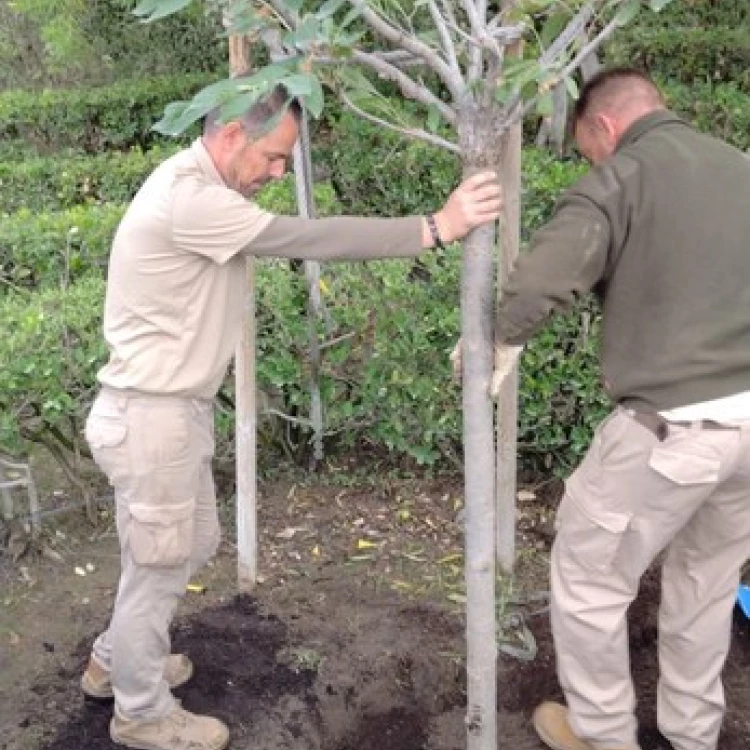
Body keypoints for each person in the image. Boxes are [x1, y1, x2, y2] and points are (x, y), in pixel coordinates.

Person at [80, 84, 501, 750]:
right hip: (151, 419)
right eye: (274, 157)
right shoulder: (192, 199)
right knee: (161, 564)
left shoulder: (196, 184)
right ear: (227, 139)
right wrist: (434, 228)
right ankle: (139, 710)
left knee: (190, 545)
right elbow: (304, 236)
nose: (279, 173)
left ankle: (119, 656)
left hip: (166, 414)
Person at [491, 67, 750, 750]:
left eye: (586, 149)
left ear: (604, 127)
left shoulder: (622, 176)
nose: (592, 161)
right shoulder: (739, 168)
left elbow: (546, 276)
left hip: (675, 424)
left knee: (587, 571)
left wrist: (500, 337)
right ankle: (693, 737)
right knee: (706, 583)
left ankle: (602, 735)